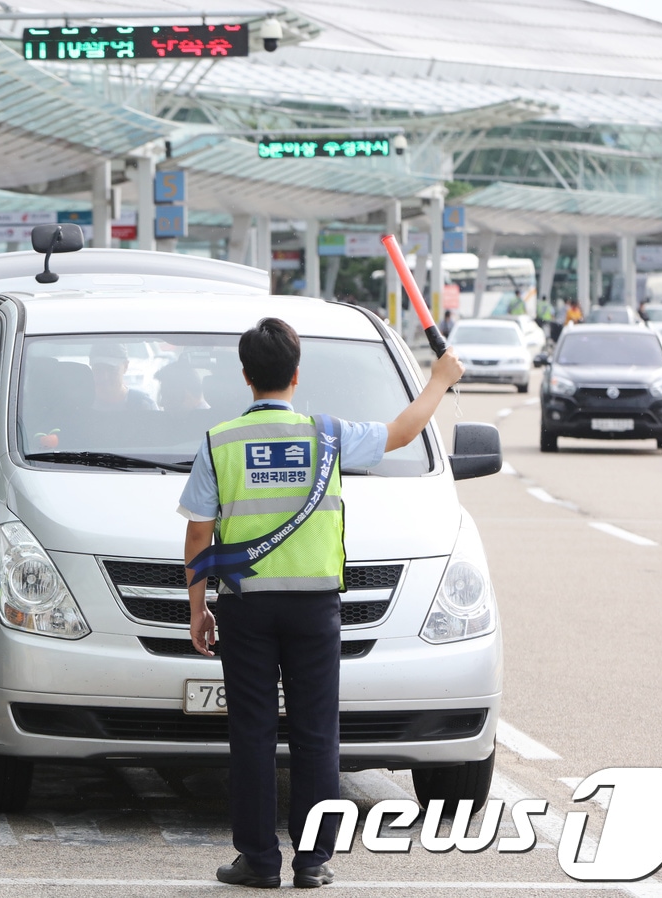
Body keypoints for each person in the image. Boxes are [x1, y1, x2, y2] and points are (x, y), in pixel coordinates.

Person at [179, 317, 464, 889]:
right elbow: (401, 433)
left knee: (253, 735)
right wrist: (438, 380)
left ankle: (258, 862)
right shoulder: (328, 435)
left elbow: (198, 536)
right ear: (296, 373)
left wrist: (197, 608)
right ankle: (313, 861)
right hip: (314, 609)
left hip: (247, 609)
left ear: (245, 376)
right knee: (315, 734)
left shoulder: (221, 441)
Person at [90, 343, 156, 410]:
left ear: (125, 366)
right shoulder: (82, 406)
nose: (104, 377)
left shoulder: (144, 406)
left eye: (111, 369)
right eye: (98, 369)